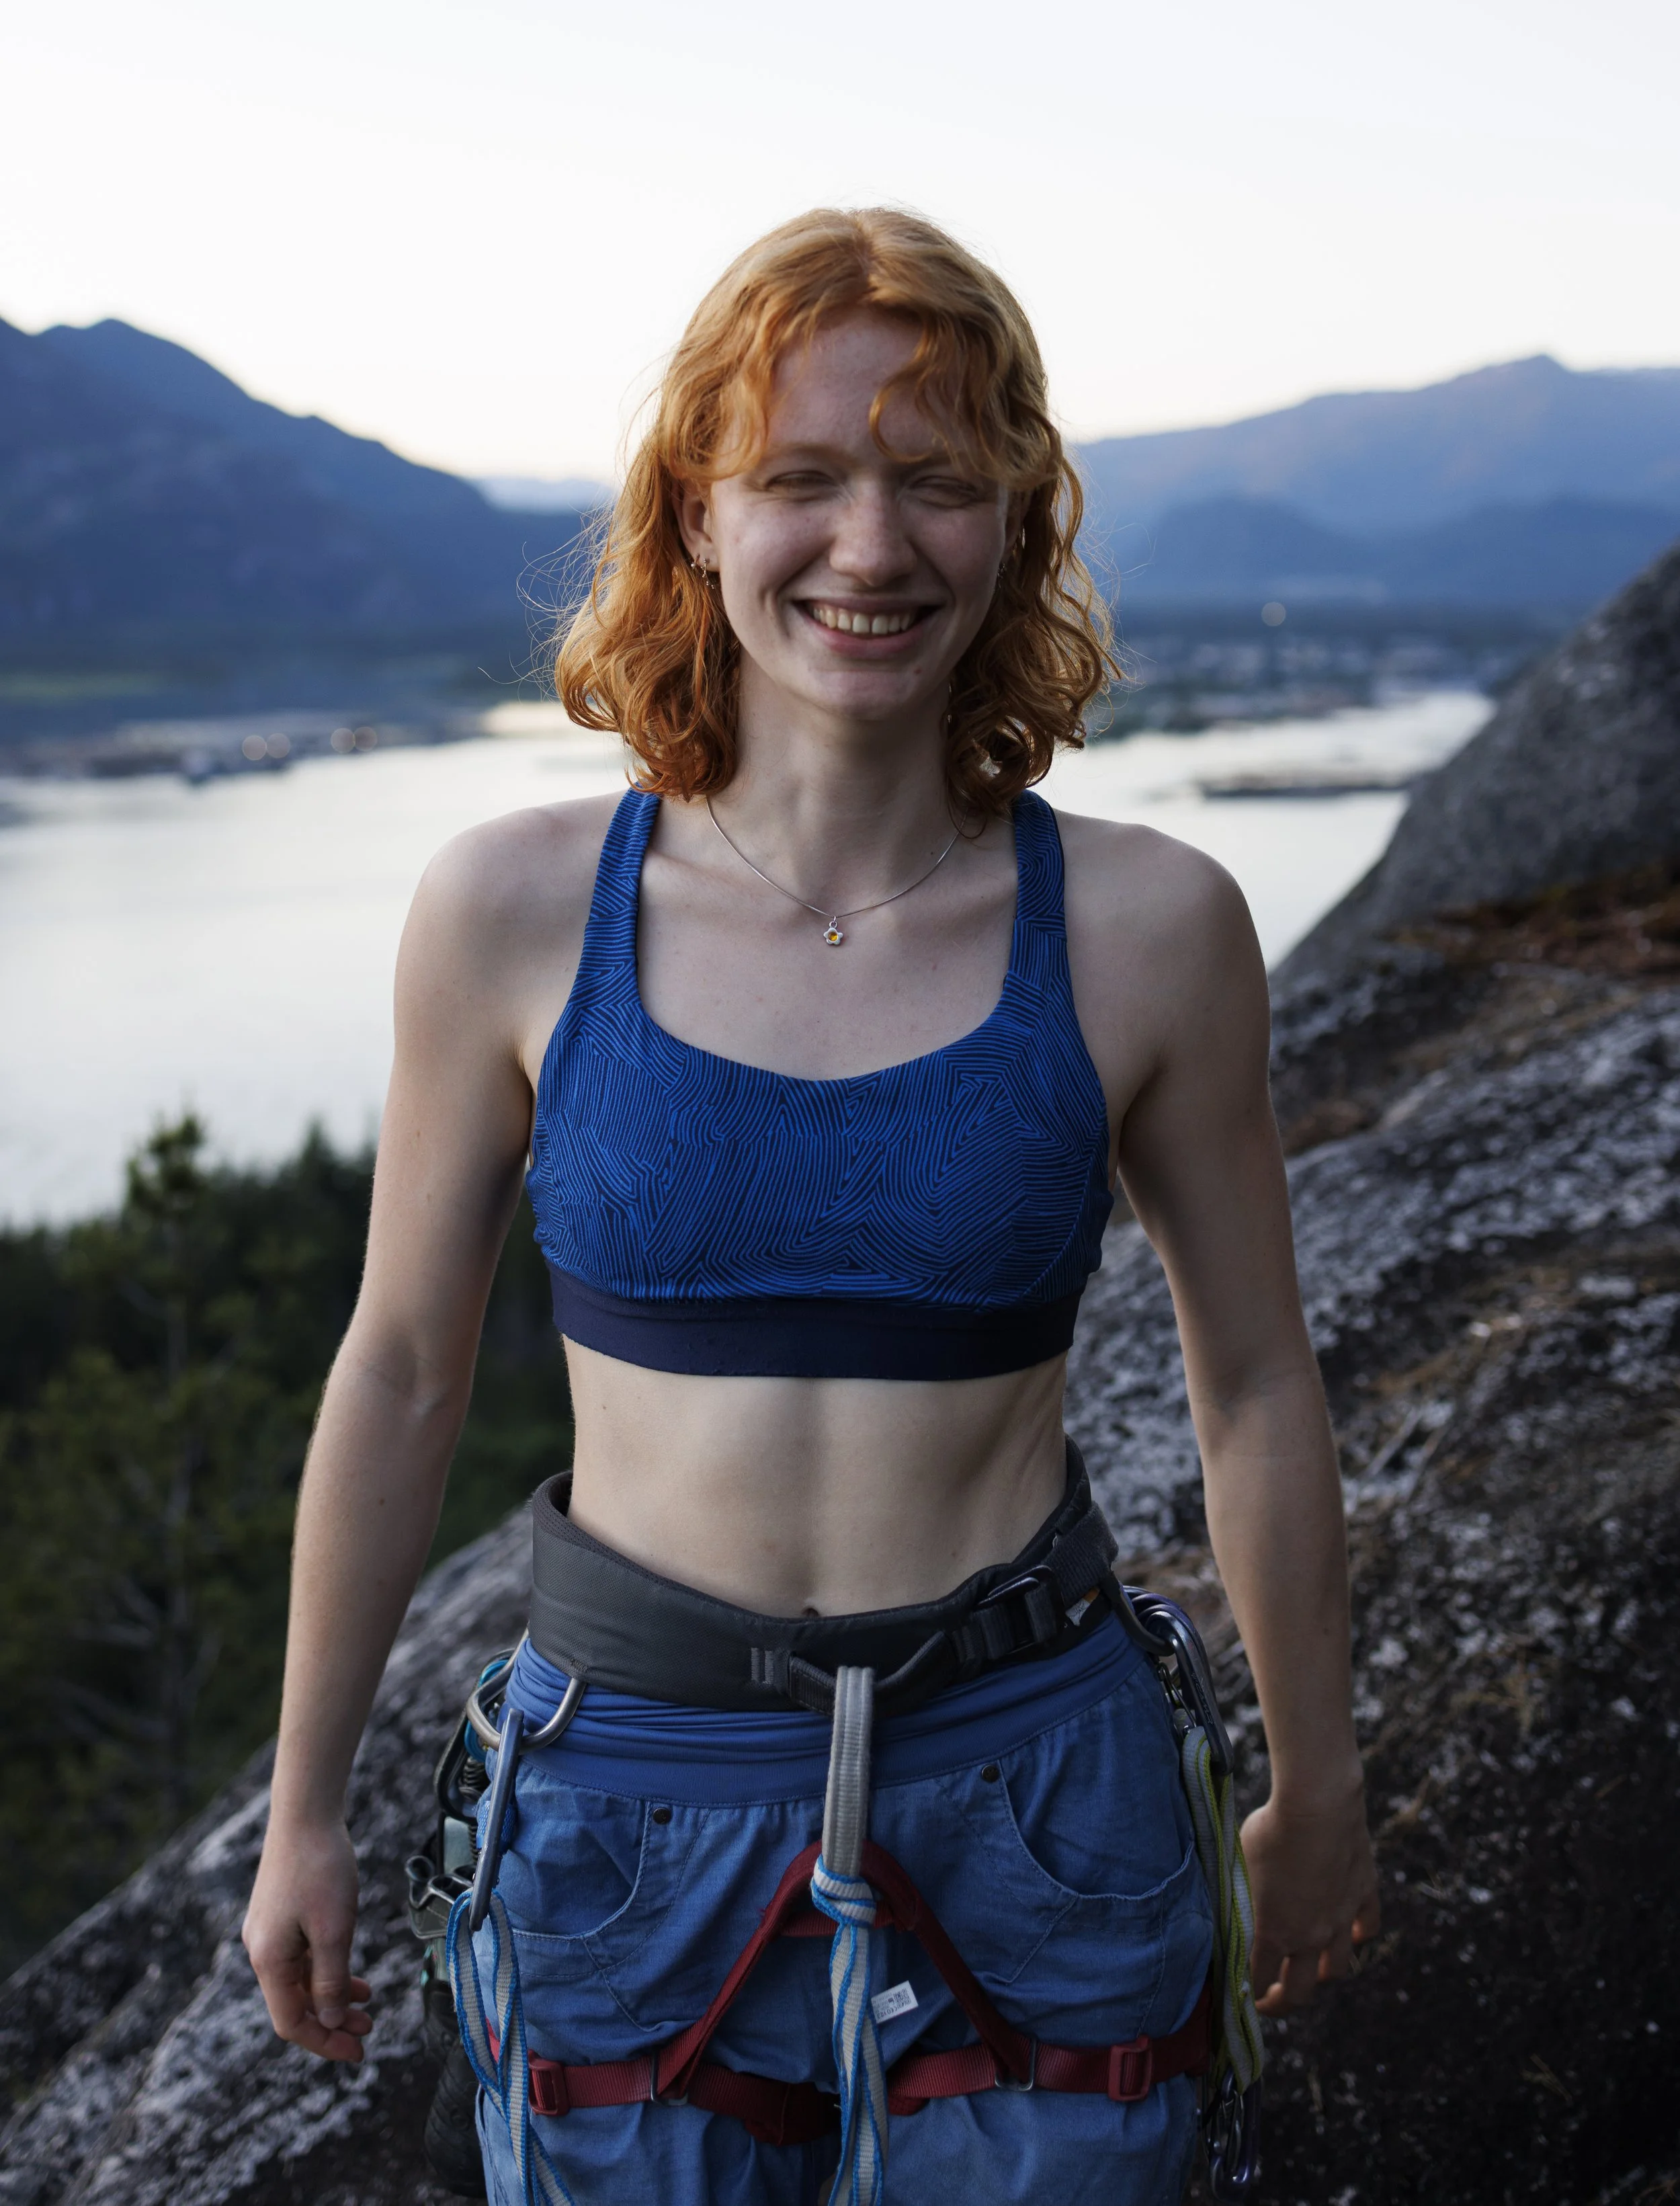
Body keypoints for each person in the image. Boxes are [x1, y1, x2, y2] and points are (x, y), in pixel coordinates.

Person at [244, 207, 1379, 2205]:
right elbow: (405, 1365)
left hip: (1045, 1805)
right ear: (691, 514)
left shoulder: (1146, 927)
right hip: (619, 1816)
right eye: (801, 478)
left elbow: (1258, 1387)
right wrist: (302, 1810)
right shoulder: (509, 912)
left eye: (937, 479)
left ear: (1017, 521)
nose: (871, 545)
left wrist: (1318, 1781)